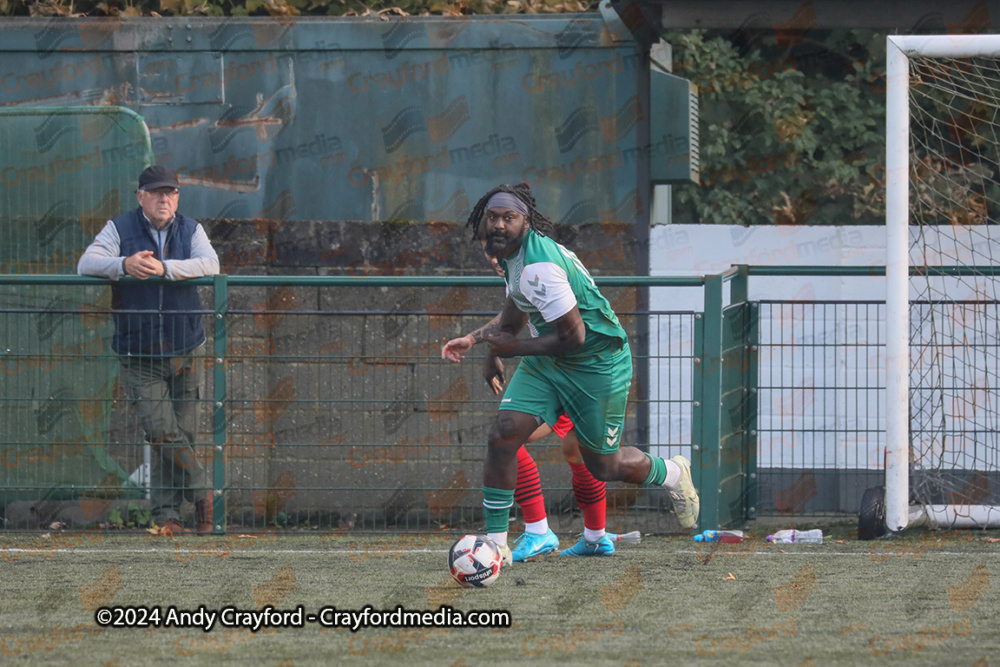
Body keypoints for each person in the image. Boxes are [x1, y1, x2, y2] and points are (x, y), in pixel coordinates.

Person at [441, 183, 699, 563]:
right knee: (504, 433)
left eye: (508, 218)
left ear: (525, 222)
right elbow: (515, 314)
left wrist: (509, 348)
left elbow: (574, 336)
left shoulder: (538, 266)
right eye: (492, 217)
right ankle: (495, 546)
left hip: (596, 363)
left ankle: (673, 473)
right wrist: (480, 342)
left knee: (602, 465)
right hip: (549, 360)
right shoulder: (514, 258)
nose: (498, 225)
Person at [444, 251, 632, 560]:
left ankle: (546, 531)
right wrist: (482, 346)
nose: (492, 256)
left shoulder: (536, 268)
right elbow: (510, 321)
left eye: (496, 250)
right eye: (487, 248)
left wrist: (492, 347)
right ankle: (585, 536)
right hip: (562, 371)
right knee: (556, 447)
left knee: (534, 444)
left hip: (580, 371)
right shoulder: (517, 272)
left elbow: (545, 325)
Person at [78, 165, 220, 535]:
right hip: (139, 352)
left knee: (181, 434)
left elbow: (211, 264)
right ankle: (203, 491)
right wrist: (122, 264)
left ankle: (167, 516)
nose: (164, 199)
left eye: (170, 193)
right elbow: (86, 264)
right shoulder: (120, 228)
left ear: (177, 198)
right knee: (162, 432)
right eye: (156, 192)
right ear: (140, 196)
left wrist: (163, 269)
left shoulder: (191, 229)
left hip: (187, 348)